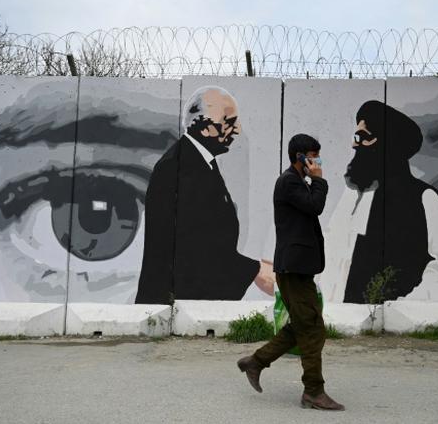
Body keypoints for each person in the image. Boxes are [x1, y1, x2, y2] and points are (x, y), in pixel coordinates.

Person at [135, 86, 274, 304]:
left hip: (186, 299)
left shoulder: (199, 161)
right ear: (205, 128)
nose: (237, 130)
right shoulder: (179, 168)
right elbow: (194, 245)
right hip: (176, 302)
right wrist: (254, 270)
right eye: (229, 122)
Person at [237, 134, 344, 411]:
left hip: (300, 266)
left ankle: (256, 361)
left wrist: (314, 180)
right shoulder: (288, 182)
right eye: (313, 156)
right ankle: (313, 391)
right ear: (299, 157)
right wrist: (319, 179)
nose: (317, 161)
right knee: (311, 328)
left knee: (303, 325)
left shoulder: (299, 182)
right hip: (293, 267)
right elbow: (315, 207)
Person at [320, 100, 438, 303]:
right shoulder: (352, 195)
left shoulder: (423, 197)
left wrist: (407, 307)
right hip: (345, 315)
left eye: (362, 137)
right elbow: (334, 250)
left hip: (403, 320)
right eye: (355, 136)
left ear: (388, 143)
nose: (354, 144)